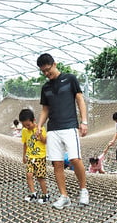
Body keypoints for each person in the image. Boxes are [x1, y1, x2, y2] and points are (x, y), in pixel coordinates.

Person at [35, 53, 89, 208]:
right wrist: (40, 125)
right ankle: (64, 196)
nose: (46, 74)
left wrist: (83, 122)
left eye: (47, 69)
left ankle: (83, 190)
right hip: (53, 129)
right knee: (57, 164)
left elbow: (79, 99)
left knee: (74, 159)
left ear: (54, 64)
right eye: (43, 72)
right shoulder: (45, 87)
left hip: (70, 126)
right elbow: (45, 109)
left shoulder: (70, 79)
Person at [19, 108, 50, 203]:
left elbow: (45, 141)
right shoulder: (24, 131)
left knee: (40, 177)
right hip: (30, 157)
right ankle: (33, 194)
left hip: (40, 157)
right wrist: (24, 156)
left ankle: (45, 195)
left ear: (34, 120)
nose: (27, 127)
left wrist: (39, 134)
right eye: (24, 125)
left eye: (28, 125)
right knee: (29, 175)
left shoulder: (41, 129)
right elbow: (25, 144)